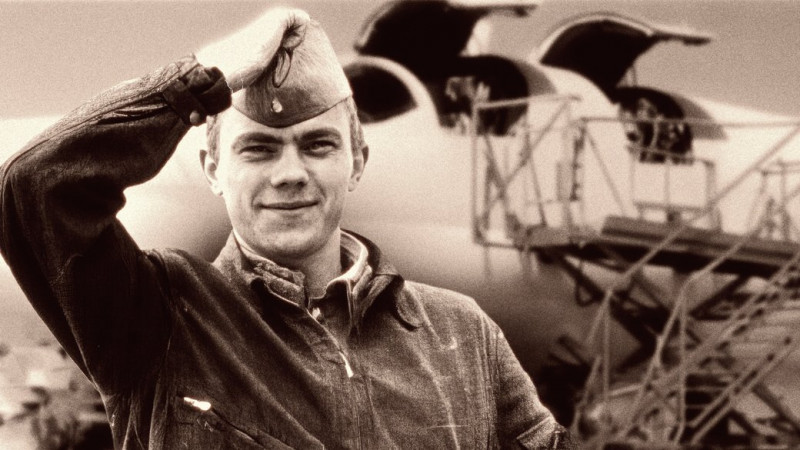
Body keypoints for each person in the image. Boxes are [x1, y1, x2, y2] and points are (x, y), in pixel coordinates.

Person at [0, 7, 571, 449]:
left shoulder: (464, 337)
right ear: (213, 168)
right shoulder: (159, 320)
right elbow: (33, 186)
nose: (290, 174)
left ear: (357, 161)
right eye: (258, 149)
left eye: (318, 145)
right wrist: (201, 78)